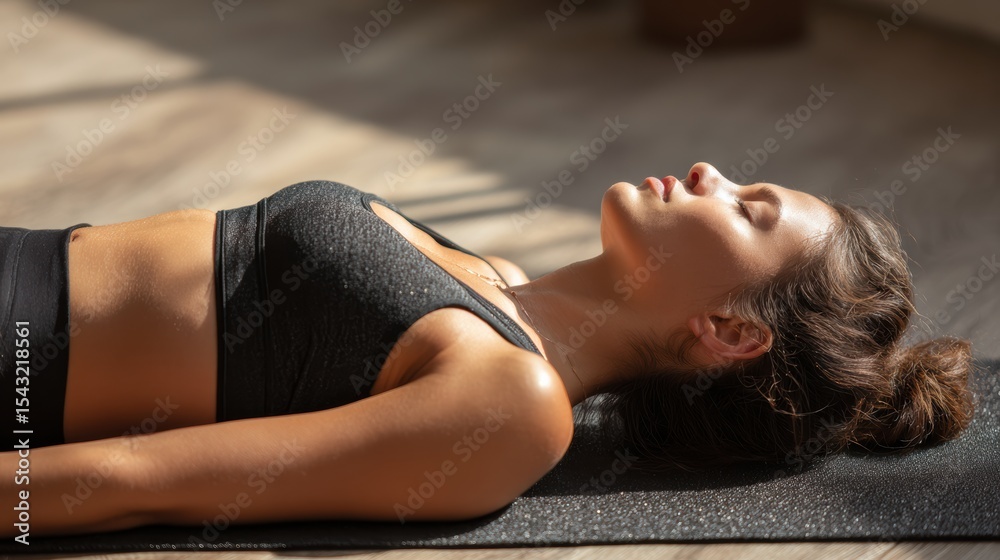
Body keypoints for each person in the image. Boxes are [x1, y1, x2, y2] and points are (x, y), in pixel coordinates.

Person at [0, 162, 974, 538]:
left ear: (728, 329)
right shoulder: (493, 268)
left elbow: (143, 478)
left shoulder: (511, 405)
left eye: (749, 209)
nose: (713, 173)